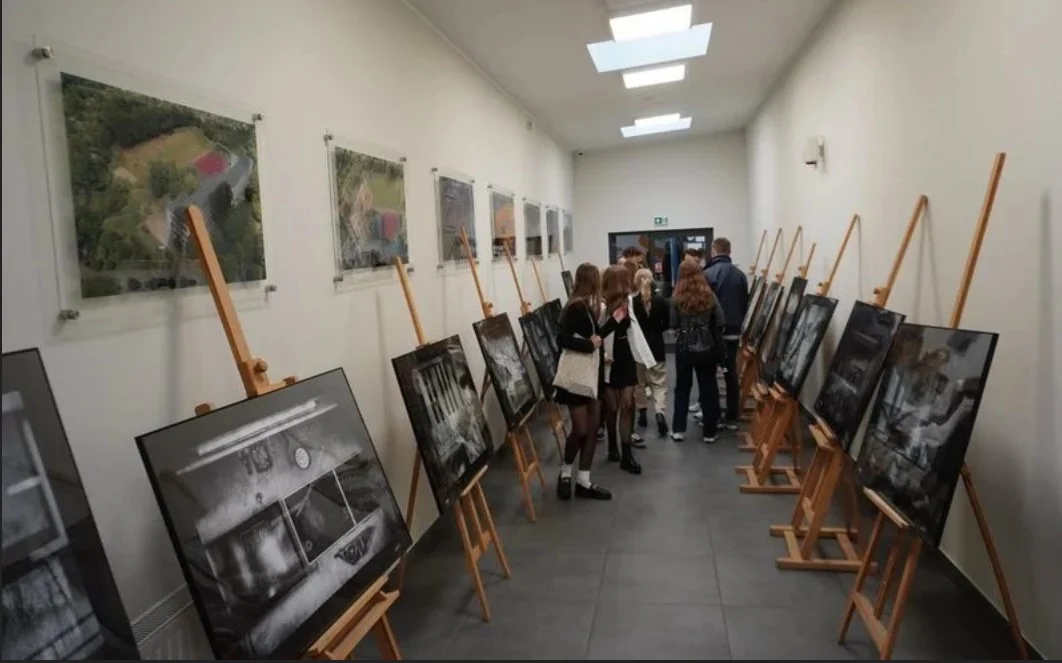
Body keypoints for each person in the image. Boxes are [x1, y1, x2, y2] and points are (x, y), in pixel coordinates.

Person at [554, 263, 626, 501]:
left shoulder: (586, 306)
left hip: (591, 376)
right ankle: (566, 473)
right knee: (581, 429)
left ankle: (583, 479)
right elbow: (563, 339)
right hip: (578, 379)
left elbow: (596, 336)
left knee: (592, 429)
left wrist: (614, 322)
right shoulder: (575, 307)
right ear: (592, 281)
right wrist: (589, 345)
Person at [670, 262, 727, 442]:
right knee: (708, 388)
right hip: (707, 347)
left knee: (682, 388)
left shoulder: (677, 297)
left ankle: (678, 429)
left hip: (684, 347)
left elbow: (673, 324)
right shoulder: (709, 295)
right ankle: (709, 432)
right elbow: (720, 320)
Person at [599, 264, 642, 474]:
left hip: (626, 357)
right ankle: (612, 445)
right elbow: (598, 333)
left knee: (627, 404)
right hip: (608, 359)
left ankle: (626, 454)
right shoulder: (601, 306)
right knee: (612, 407)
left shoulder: (629, 302)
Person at [704, 237, 749, 429]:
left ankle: (713, 416)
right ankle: (732, 417)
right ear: (729, 251)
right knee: (731, 372)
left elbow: (705, 307)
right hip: (734, 332)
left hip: (713, 333)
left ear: (714, 251)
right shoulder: (741, 276)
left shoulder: (708, 274)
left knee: (709, 374)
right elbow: (745, 303)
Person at [632, 267, 670, 436]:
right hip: (656, 348)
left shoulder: (632, 303)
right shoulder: (661, 301)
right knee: (659, 383)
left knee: (639, 383)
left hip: (638, 349)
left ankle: (642, 412)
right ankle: (660, 413)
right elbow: (667, 323)